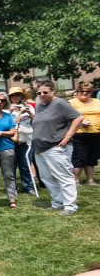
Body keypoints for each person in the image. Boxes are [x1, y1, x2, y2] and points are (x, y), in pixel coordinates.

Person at [33, 79, 84, 215]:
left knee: (63, 176)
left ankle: (70, 206)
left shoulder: (60, 103)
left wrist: (67, 136)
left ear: (52, 91)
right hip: (40, 148)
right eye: (39, 92)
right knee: (46, 177)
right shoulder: (38, 106)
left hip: (55, 147)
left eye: (45, 92)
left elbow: (78, 118)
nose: (42, 94)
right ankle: (57, 202)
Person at [70, 81, 100, 184]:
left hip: (96, 133)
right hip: (79, 133)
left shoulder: (97, 102)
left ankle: (90, 179)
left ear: (91, 92)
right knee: (80, 157)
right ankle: (76, 180)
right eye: (82, 91)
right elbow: (69, 116)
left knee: (92, 158)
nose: (84, 93)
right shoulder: (72, 102)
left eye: (87, 91)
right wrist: (81, 121)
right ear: (78, 92)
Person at [8, 87, 36, 194]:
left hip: (26, 139)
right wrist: (11, 111)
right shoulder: (6, 109)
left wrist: (29, 113)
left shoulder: (29, 107)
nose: (15, 97)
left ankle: (27, 186)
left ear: (21, 96)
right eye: (12, 95)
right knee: (12, 165)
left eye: (17, 95)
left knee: (26, 164)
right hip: (11, 140)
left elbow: (36, 121)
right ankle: (13, 188)